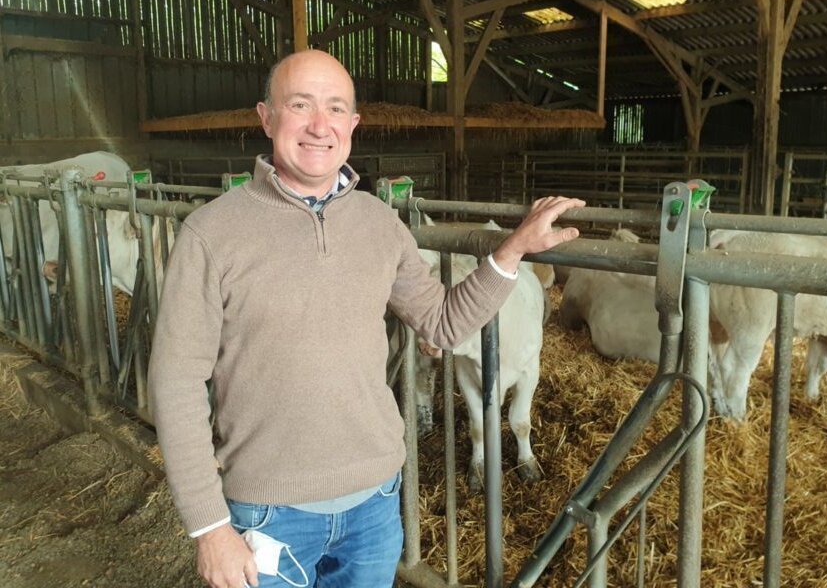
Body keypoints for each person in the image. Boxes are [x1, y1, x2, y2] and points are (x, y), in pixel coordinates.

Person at [148, 49, 585, 588]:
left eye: (335, 109)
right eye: (299, 105)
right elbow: (175, 380)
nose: (318, 125)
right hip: (267, 513)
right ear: (265, 117)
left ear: (353, 124)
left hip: (375, 505)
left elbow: (443, 324)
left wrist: (511, 251)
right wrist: (210, 527)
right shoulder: (211, 234)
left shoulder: (381, 223)